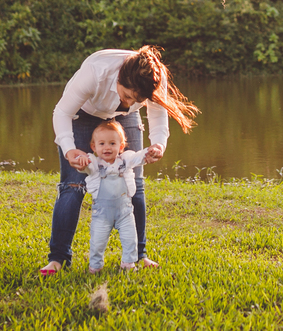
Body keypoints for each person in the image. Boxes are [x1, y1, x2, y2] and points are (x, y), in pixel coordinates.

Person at [40, 46, 198, 275]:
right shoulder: (96, 71)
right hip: (83, 114)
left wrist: (158, 144)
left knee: (135, 184)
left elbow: (157, 112)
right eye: (126, 96)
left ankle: (139, 255)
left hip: (125, 121)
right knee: (73, 185)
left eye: (135, 100)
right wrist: (68, 149)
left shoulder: (154, 77)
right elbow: (62, 112)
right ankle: (58, 259)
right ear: (119, 78)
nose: (127, 102)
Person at [81, 121, 152, 273]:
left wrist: (147, 152)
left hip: (124, 212)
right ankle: (95, 266)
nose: (107, 147)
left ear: (120, 147)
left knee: (130, 238)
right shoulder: (94, 164)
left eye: (112, 143)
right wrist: (81, 162)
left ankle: (128, 263)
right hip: (102, 213)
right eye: (102, 144)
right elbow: (84, 166)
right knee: (97, 241)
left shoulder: (125, 161)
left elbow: (137, 157)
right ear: (94, 147)